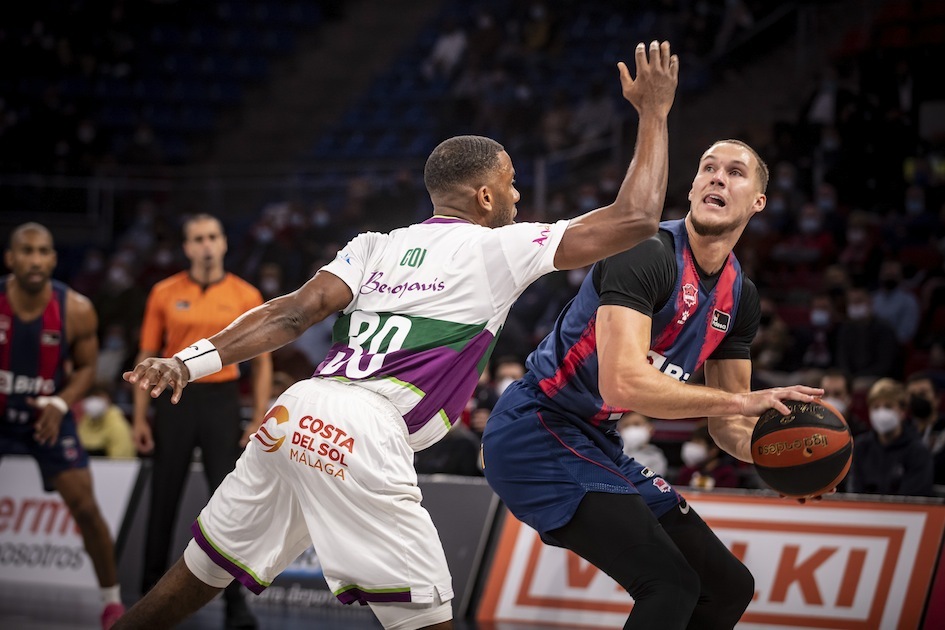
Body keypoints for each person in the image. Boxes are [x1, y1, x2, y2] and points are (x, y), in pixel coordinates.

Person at [114, 40, 682, 630]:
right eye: (512, 184)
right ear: (486, 196)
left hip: (296, 411)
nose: (518, 196)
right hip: (366, 429)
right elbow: (637, 219)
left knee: (194, 578)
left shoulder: (373, 245)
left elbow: (291, 315)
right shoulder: (501, 246)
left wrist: (187, 361)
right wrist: (654, 113)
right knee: (428, 620)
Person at [481, 139, 826, 629]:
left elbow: (728, 427)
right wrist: (740, 401)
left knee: (727, 588)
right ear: (692, 187)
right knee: (671, 584)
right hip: (535, 427)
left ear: (758, 202)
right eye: (708, 167)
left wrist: (782, 459)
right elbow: (622, 384)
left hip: (597, 440)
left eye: (735, 172)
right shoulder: (646, 252)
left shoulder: (740, 297)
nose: (717, 177)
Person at [132, 214, 272, 629]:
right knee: (163, 499)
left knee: (229, 505)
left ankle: (236, 606)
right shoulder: (164, 292)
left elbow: (262, 363)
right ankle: (147, 600)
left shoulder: (246, 294)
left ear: (224, 243)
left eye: (212, 237)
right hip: (173, 402)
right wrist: (139, 418)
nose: (206, 245)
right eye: (198, 239)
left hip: (221, 402)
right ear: (187, 247)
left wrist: (258, 416)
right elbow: (145, 357)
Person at [0, 223, 125, 629]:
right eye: (27, 251)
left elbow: (87, 368)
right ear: (10, 258)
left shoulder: (76, 308)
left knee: (86, 507)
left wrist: (60, 401)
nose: (35, 260)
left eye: (43, 252)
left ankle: (112, 604)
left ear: (54, 259)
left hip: (48, 416)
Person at [847, 378, 934, 496]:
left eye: (888, 406)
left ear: (902, 411)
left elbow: (914, 497)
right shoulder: (861, 447)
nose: (881, 413)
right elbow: (855, 491)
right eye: (876, 407)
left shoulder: (918, 451)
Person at [905, 371, 945, 485]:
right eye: (912, 396)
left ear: (937, 398)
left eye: (923, 394)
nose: (917, 399)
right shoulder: (901, 431)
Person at [77, 384, 135, 458]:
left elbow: (121, 459)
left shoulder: (118, 425)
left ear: (109, 400)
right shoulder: (84, 422)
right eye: (92, 397)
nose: (95, 401)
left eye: (99, 397)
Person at [676, 423, 740, 490]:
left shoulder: (726, 474)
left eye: (698, 443)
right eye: (693, 442)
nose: (693, 448)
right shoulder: (687, 472)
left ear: (713, 450)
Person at [616, 411, 667, 476]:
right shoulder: (613, 453)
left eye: (636, 424)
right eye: (626, 425)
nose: (631, 429)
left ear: (649, 427)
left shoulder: (656, 457)